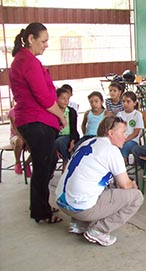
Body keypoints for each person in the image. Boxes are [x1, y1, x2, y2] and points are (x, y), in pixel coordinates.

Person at [55, 116, 143, 247]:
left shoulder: (89, 142)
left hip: (62, 202)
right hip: (80, 209)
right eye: (123, 132)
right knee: (136, 197)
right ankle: (98, 231)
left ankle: (78, 224)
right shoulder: (111, 150)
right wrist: (133, 186)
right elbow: (125, 185)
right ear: (111, 133)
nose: (125, 136)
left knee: (103, 182)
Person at [9, 22, 66, 223]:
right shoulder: (27, 61)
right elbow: (42, 96)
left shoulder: (25, 60)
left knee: (49, 161)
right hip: (35, 120)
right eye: (44, 41)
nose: (46, 45)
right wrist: (60, 115)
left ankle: (42, 206)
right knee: (43, 166)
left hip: (36, 120)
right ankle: (41, 212)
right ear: (31, 39)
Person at [54, 88, 79, 172]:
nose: (66, 101)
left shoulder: (71, 112)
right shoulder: (53, 113)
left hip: (69, 136)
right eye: (63, 98)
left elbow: (74, 130)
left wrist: (72, 141)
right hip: (56, 137)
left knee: (59, 142)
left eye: (67, 99)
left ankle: (66, 160)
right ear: (56, 99)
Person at [116, 91, 144, 164]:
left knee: (124, 146)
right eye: (123, 101)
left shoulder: (137, 114)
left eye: (128, 101)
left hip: (133, 140)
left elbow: (136, 133)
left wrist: (125, 139)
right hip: (121, 139)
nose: (125, 104)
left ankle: (123, 168)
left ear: (134, 103)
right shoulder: (119, 114)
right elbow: (116, 129)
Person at [8, 105, 32, 176]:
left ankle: (27, 163)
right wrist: (25, 140)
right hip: (16, 136)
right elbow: (15, 129)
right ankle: (17, 162)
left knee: (38, 144)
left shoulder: (29, 110)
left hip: (28, 136)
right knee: (20, 141)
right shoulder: (12, 111)